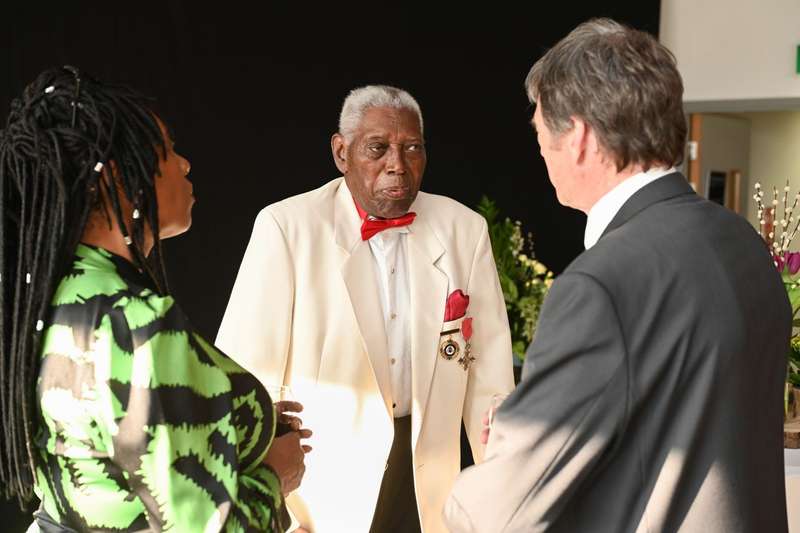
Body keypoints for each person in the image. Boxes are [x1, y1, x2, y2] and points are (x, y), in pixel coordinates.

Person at [444, 18, 792, 533]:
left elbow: (502, 512)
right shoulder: (743, 244)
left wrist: (503, 454)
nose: (539, 149)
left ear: (580, 137)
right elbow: (685, 417)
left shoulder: (599, 285)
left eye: (540, 131)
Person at [0, 66, 310, 532]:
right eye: (166, 150)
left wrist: (231, 409)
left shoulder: (55, 295)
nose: (184, 164)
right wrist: (275, 478)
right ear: (115, 177)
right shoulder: (136, 323)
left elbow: (108, 440)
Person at [216, 85, 514, 532]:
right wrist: (268, 488)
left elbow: (490, 376)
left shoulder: (464, 229)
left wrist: (504, 487)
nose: (397, 164)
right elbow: (245, 372)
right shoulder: (286, 226)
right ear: (342, 153)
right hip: (322, 488)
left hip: (429, 480)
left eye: (412, 148)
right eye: (378, 148)